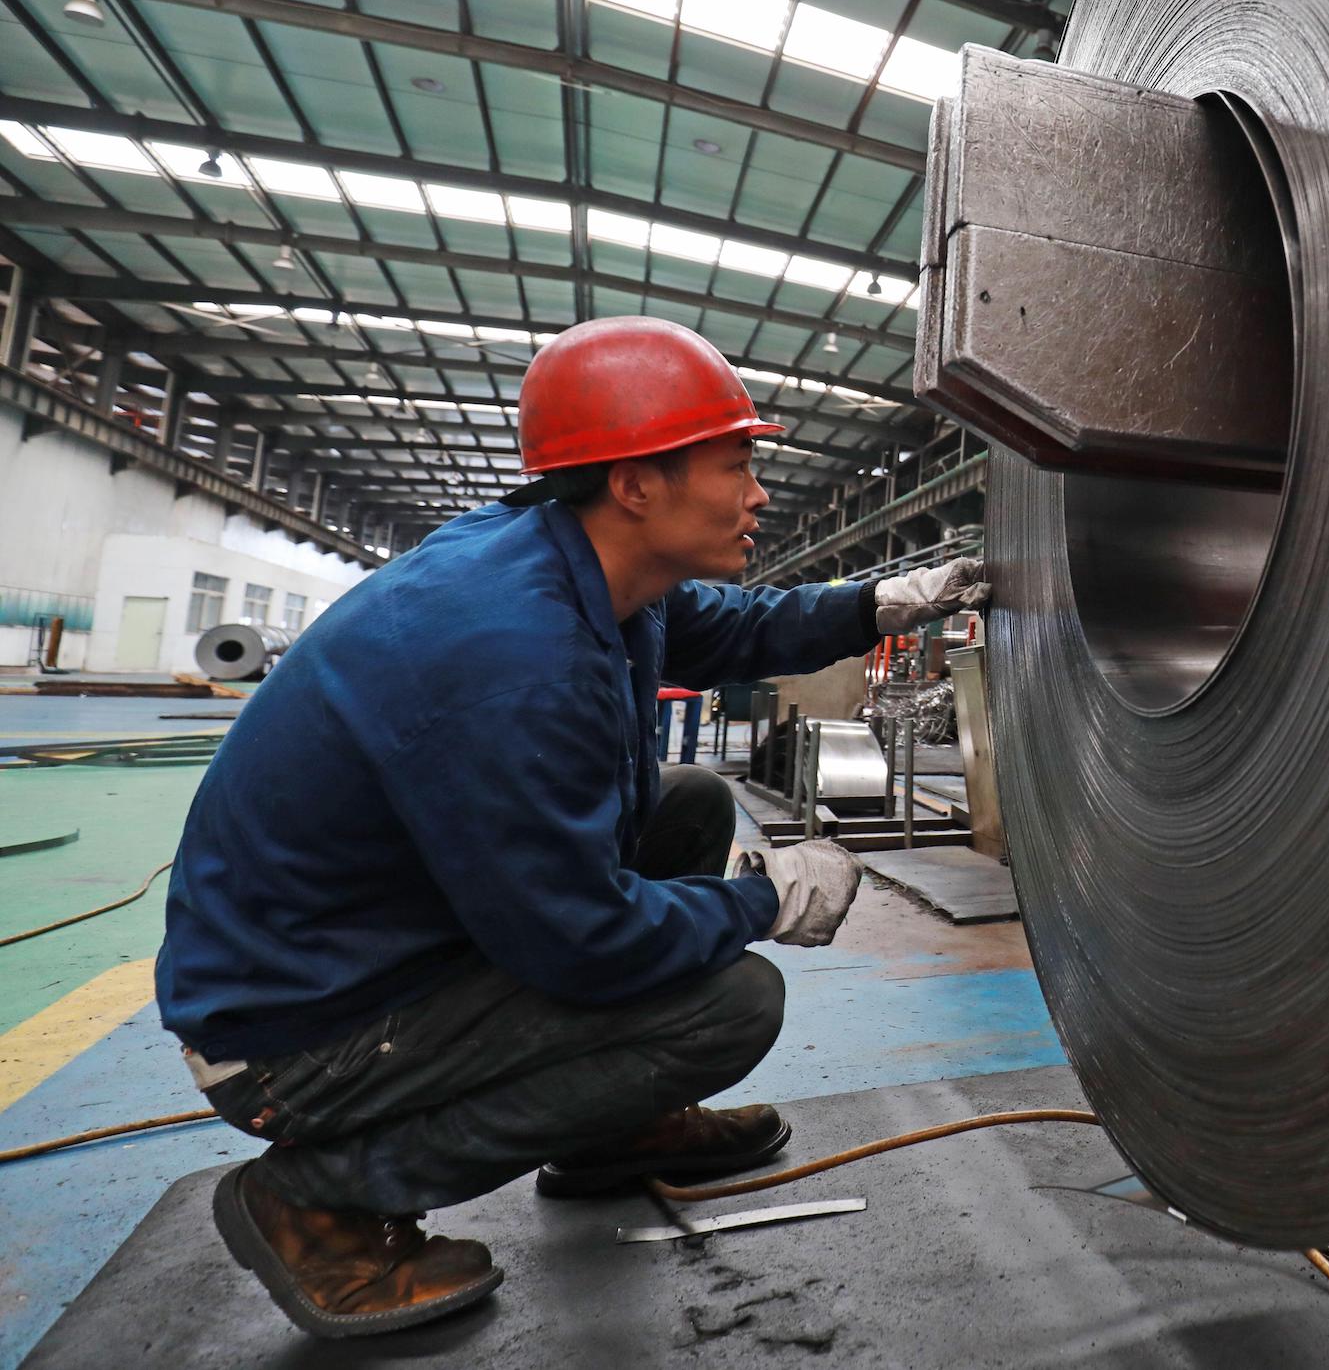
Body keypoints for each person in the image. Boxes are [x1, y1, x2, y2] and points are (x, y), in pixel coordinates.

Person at [156, 316, 989, 1337]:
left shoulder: (582, 563)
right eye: (737, 464)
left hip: (372, 948)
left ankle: (615, 1134)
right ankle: (324, 1201)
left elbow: (729, 628)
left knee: (685, 802)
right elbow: (579, 942)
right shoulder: (507, 656)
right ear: (638, 483)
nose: (760, 493)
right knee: (728, 1006)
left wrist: (880, 603)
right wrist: (761, 900)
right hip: (300, 1038)